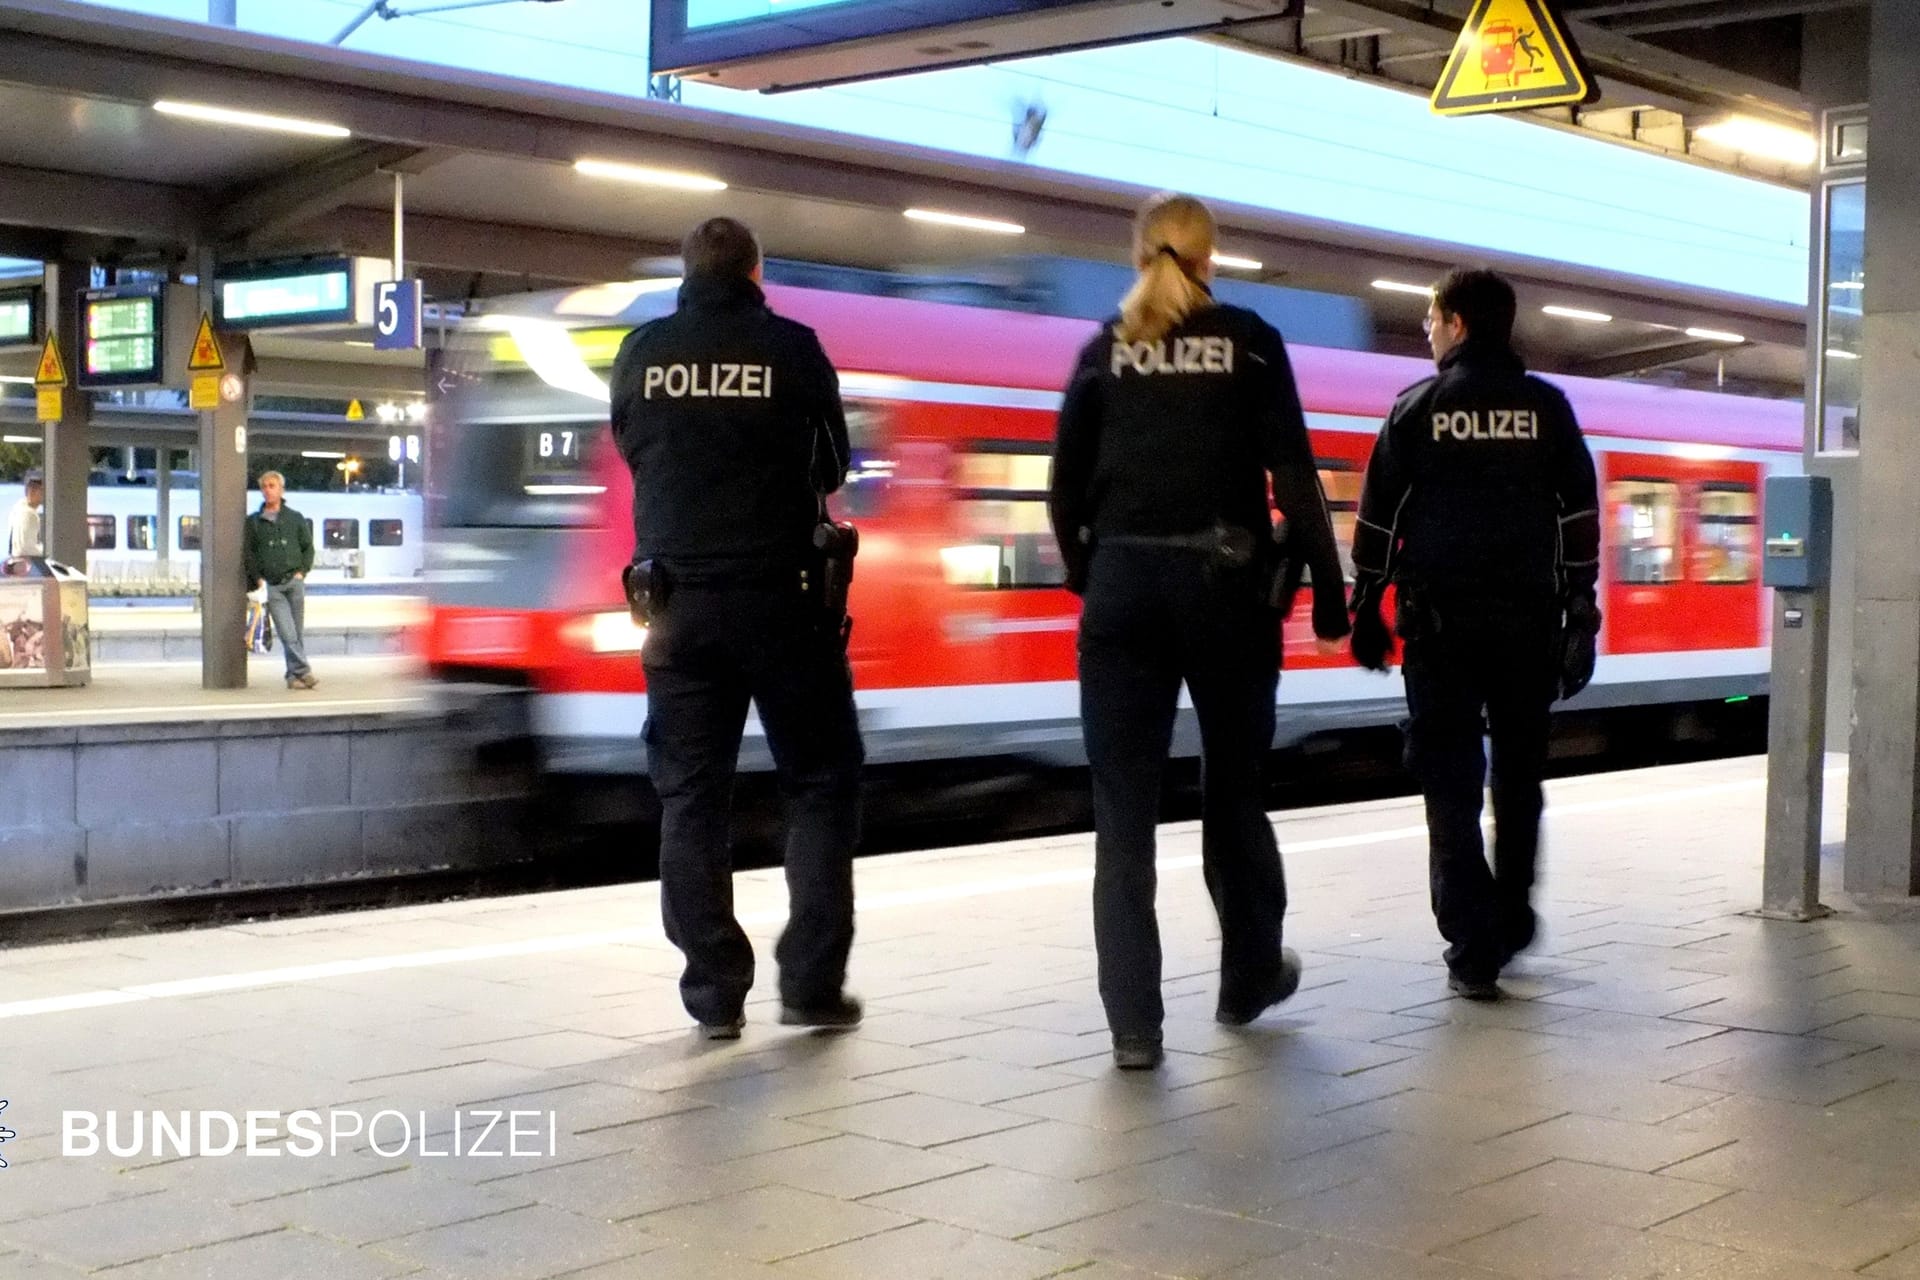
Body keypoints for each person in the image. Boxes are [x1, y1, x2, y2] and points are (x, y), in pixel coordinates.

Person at [1050, 193, 1351, 1070]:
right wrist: (1331, 603)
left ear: (1138, 254)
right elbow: (1296, 480)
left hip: (1122, 591)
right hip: (1224, 589)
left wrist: (1093, 576)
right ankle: (1249, 975)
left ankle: (1135, 1030)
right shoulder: (1251, 340)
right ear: (1211, 257)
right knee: (1235, 790)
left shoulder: (1104, 350)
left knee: (1123, 817)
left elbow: (1064, 493)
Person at [610, 216, 865, 1041]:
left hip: (676, 607)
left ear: (689, 271)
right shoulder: (793, 348)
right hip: (784, 601)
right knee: (820, 781)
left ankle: (715, 994)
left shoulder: (642, 353)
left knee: (690, 796)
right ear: (756, 272)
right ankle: (811, 985)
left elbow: (633, 448)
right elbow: (831, 465)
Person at [1347, 267, 1601, 1002]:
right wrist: (1580, 616)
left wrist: (1364, 607)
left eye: (1430, 320)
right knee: (1520, 779)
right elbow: (1579, 521)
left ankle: (1471, 941)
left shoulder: (1416, 409)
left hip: (1440, 631)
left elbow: (1375, 522)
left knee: (1450, 785)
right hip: (1528, 626)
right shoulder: (1547, 410)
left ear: (1457, 324)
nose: (1426, 333)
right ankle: (1513, 912)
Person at [243, 471, 317, 691]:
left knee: (297, 633)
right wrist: (258, 579)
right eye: (264, 486)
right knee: (287, 633)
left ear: (281, 489)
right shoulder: (254, 522)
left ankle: (293, 677)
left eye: (272, 485)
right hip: (272, 586)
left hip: (294, 582)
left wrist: (302, 572)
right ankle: (304, 671)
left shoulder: (295, 518)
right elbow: (249, 554)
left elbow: (308, 547)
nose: (267, 490)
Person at [7, 473, 43, 558]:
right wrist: (45, 550)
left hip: (14, 559)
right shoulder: (29, 514)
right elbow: (26, 548)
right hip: (25, 564)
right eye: (41, 491)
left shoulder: (18, 507)